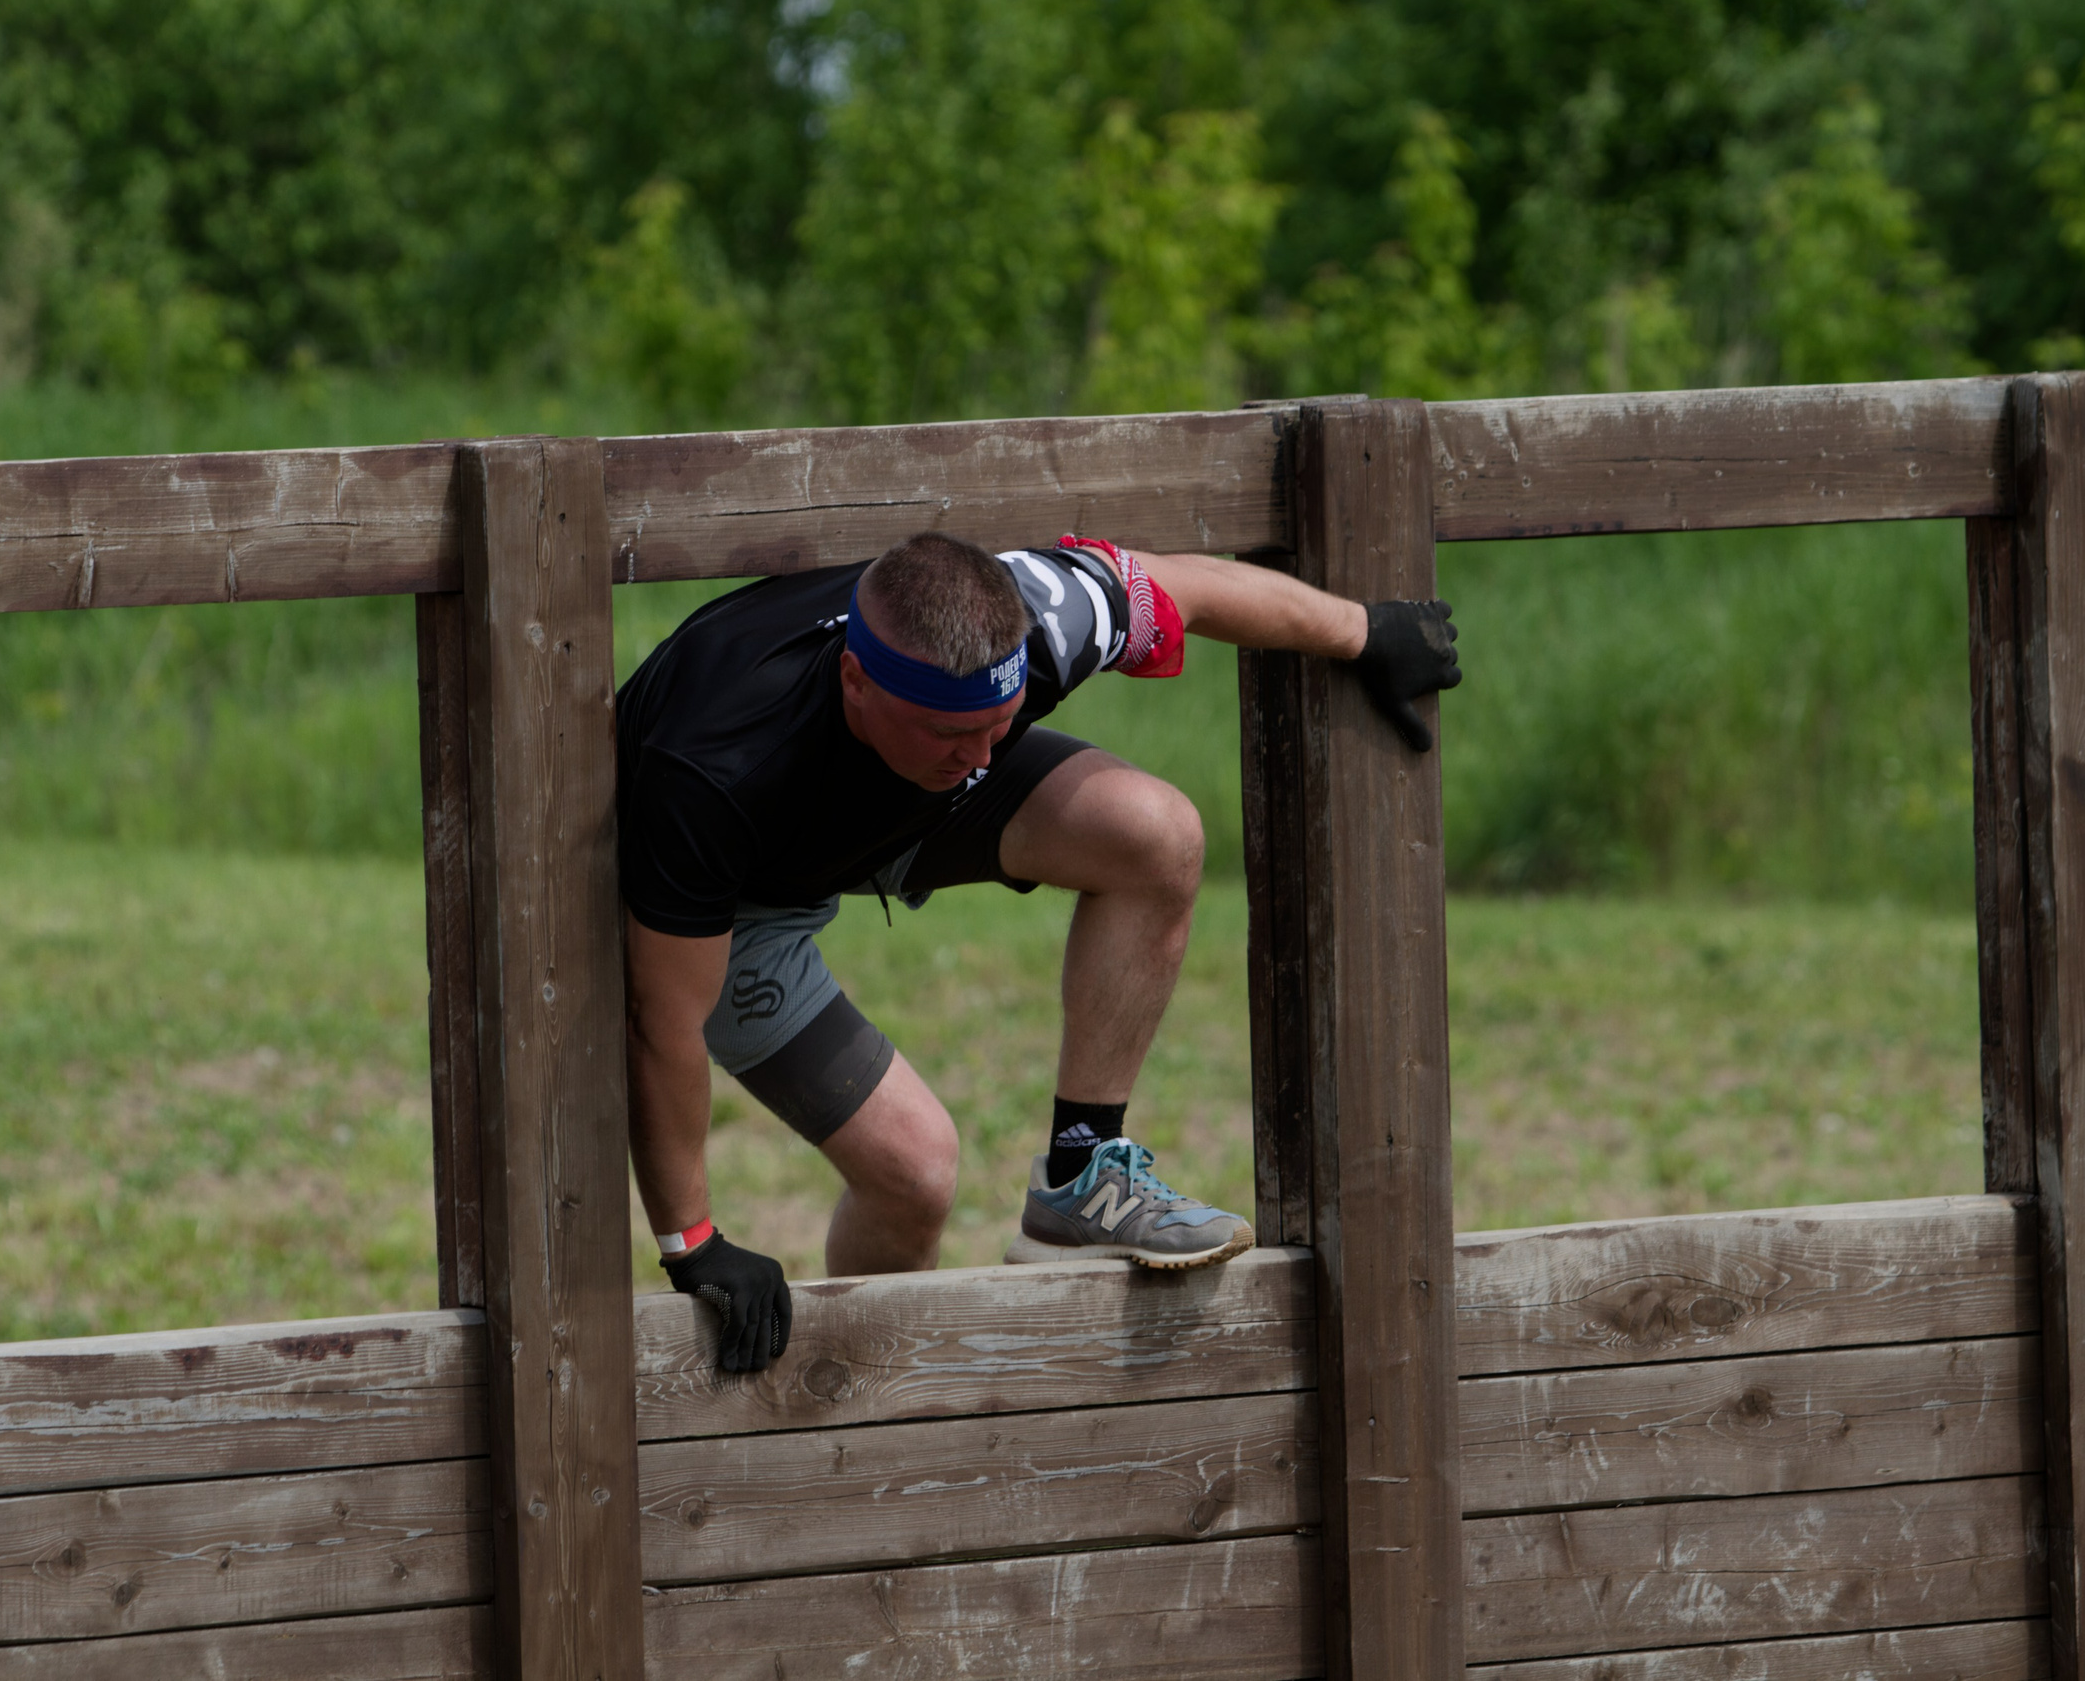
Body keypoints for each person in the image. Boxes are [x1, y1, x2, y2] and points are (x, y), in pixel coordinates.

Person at [618, 531, 1461, 1371]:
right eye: (954, 730)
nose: (984, 752)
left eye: (1001, 722)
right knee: (916, 1172)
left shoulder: (1039, 619)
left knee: (1156, 833)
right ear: (855, 681)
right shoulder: (709, 762)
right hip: (745, 889)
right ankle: (850, 1412)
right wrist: (693, 1243)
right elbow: (664, 1026)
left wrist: (1366, 631)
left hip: (901, 807)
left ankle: (1081, 1175)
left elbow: (1183, 585)